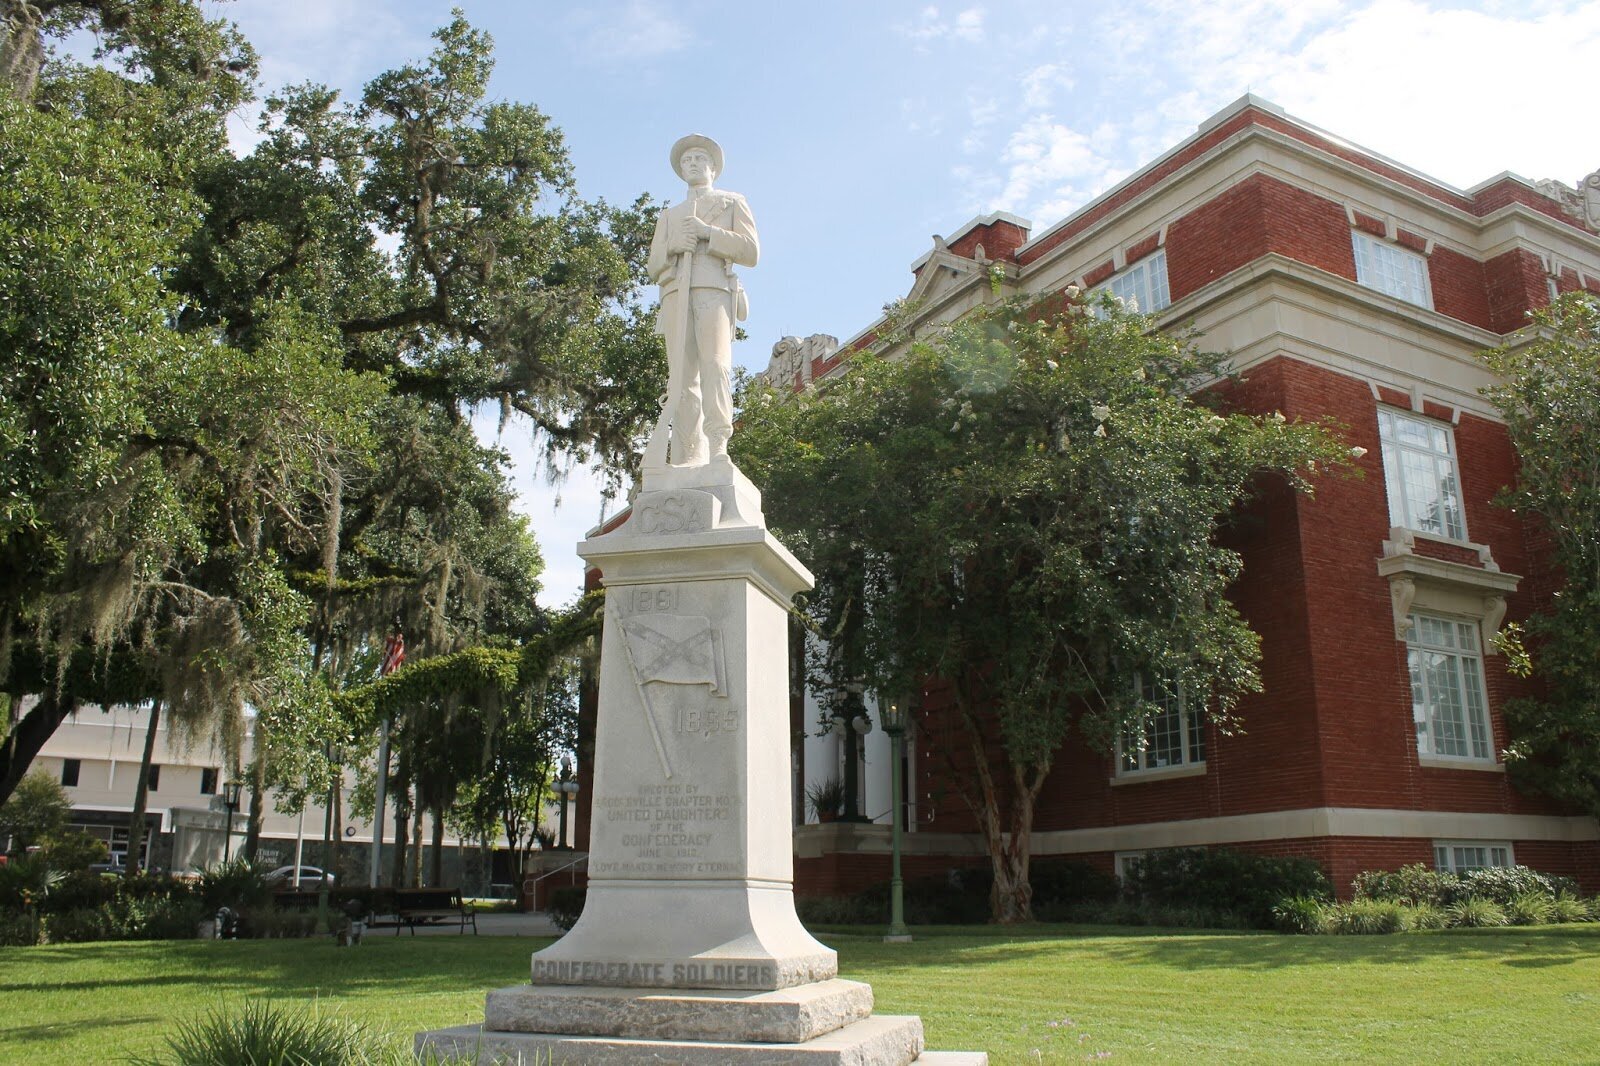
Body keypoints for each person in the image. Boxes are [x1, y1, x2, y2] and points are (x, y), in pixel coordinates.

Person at [645, 134, 758, 468]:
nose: (692, 165)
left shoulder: (731, 202)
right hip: (676, 294)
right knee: (681, 376)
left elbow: (751, 251)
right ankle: (687, 451)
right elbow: (653, 265)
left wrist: (708, 232)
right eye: (686, 161)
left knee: (715, 365)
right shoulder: (669, 215)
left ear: (713, 167)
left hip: (714, 289)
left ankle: (718, 444)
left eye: (699, 159)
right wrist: (673, 245)